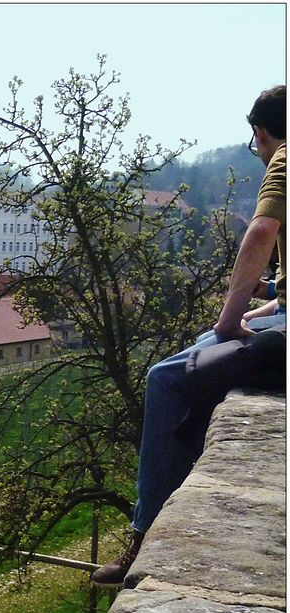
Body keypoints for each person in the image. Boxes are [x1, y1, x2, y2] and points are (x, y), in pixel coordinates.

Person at [91, 85, 286, 587]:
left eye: (256, 144)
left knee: (166, 379)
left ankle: (145, 535)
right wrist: (256, 312)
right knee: (204, 346)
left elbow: (261, 233)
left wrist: (231, 318)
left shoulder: (283, 160)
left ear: (261, 134)